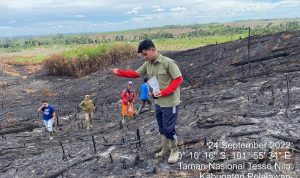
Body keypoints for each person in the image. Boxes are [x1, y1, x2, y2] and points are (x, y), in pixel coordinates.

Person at [112, 39, 183, 164]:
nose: (144, 57)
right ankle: (165, 148)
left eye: (145, 54)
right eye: (142, 55)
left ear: (153, 50)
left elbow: (178, 80)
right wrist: (119, 72)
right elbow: (135, 73)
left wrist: (165, 92)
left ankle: (174, 150)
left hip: (170, 102)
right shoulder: (148, 64)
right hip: (158, 102)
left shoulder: (168, 63)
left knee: (169, 128)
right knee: (161, 127)